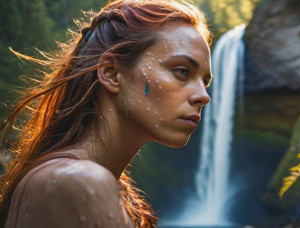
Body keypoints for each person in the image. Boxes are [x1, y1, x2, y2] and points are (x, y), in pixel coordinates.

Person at [0, 0, 212, 227]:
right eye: (181, 72)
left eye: (205, 82)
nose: (203, 96)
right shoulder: (80, 183)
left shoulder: (64, 176)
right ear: (111, 73)